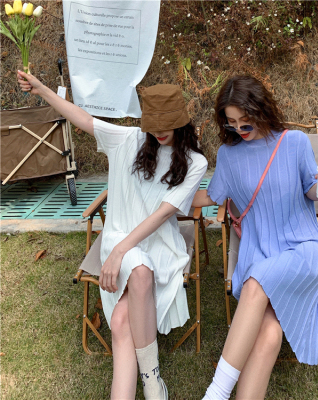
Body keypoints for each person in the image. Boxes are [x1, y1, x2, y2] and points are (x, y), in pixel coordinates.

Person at [18, 70, 208, 400]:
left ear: (182, 122)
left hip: (159, 245)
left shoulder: (195, 162)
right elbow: (83, 120)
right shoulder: (129, 140)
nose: (159, 131)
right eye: (153, 124)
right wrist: (42, 90)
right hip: (120, 236)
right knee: (140, 271)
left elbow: (164, 214)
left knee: (121, 321)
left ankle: (147, 381)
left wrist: (121, 251)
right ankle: (152, 380)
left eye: (166, 123)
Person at [192, 75, 318, 400]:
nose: (239, 129)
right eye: (232, 123)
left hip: (302, 247)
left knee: (255, 283)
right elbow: (212, 196)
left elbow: (310, 189)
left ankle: (216, 393)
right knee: (270, 333)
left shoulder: (295, 143)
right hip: (259, 250)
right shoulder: (229, 154)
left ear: (261, 110)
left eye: (245, 122)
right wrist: (166, 198)